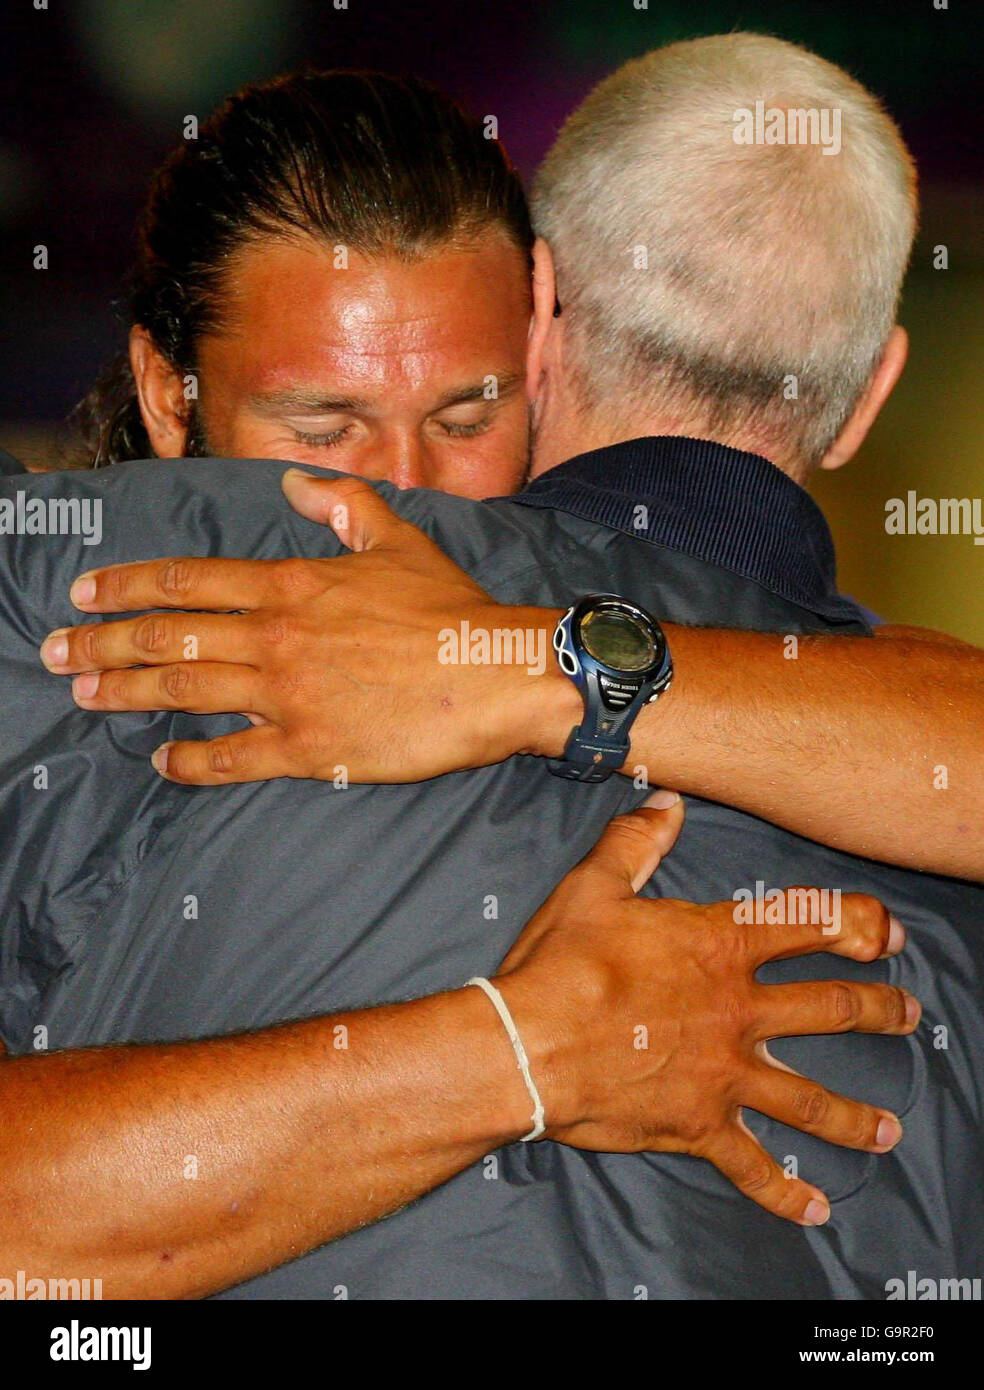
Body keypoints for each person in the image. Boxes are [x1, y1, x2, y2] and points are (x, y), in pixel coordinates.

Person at [0, 39, 980, 1299]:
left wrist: (527, 666)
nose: (408, 498)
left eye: (468, 420)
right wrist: (522, 1051)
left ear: (544, 340)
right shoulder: (71, 608)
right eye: (323, 430)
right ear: (166, 393)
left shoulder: (821, 697)